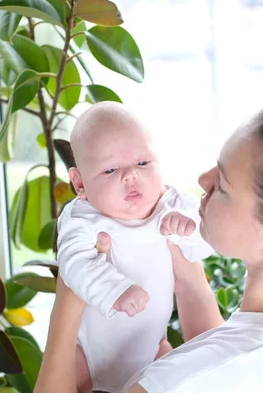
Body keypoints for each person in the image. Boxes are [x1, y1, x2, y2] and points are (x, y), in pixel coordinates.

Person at [35, 97, 263, 393]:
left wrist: (68, 300)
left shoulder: (175, 384)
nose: (202, 179)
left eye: (224, 185)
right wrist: (190, 278)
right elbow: (228, 352)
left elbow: (212, 368)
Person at [58, 102, 214, 392]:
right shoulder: (83, 217)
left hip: (152, 348)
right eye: (110, 169)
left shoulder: (170, 203)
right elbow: (73, 264)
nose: (131, 175)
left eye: (143, 163)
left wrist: (188, 227)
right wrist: (115, 288)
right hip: (91, 356)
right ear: (79, 183)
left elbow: (202, 246)